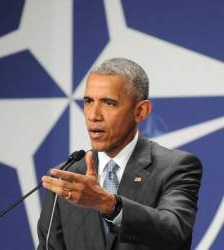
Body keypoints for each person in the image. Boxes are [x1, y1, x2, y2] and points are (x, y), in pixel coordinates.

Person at [37, 58, 202, 250]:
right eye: (89, 101)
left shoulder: (175, 166)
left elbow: (175, 232)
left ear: (141, 111)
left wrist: (108, 203)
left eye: (108, 103)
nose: (93, 115)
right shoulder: (66, 176)